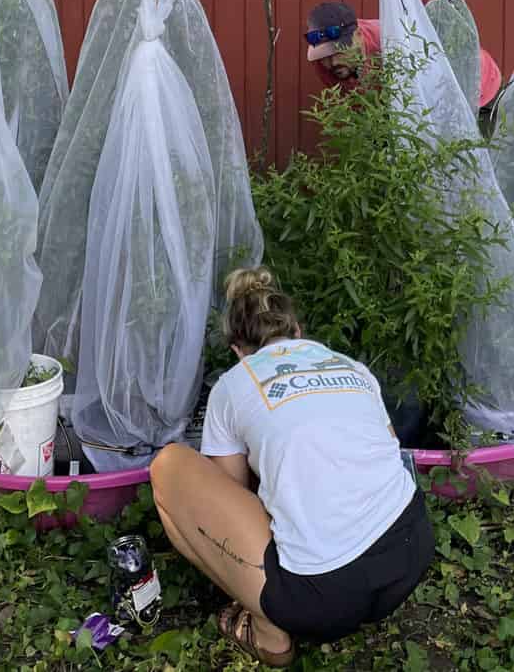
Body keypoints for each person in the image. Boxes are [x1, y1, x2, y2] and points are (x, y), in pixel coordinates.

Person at [149, 268, 434, 665]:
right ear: (298, 332)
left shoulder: (233, 385)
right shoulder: (350, 366)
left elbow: (232, 496)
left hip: (324, 598)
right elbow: (388, 447)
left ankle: (269, 633)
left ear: (237, 348)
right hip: (412, 551)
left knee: (169, 466)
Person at [304, 0, 502, 107]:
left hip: (475, 85)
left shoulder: (393, 46)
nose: (331, 62)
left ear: (357, 35)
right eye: (324, 56)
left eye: (339, 51)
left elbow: (427, 102)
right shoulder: (325, 64)